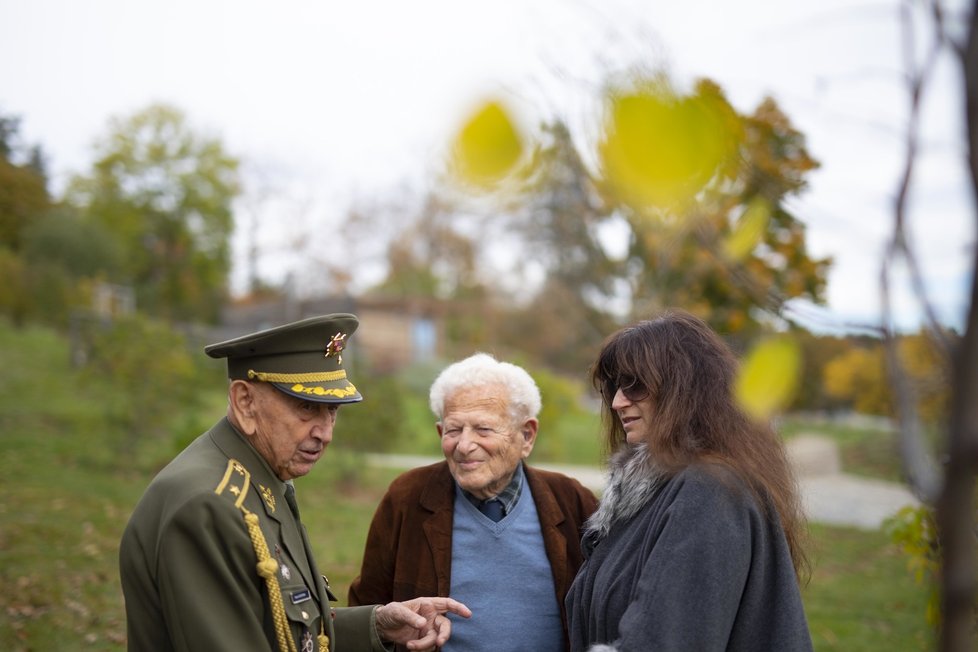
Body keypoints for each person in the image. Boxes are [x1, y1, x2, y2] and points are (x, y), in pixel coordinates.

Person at [119, 313, 470, 652]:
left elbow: (285, 629)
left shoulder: (262, 478)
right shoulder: (208, 505)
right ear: (245, 402)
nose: (325, 433)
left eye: (332, 410)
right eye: (306, 407)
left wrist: (377, 625)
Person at [566, 310, 813, 652]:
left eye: (635, 384)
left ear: (684, 390)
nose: (619, 402)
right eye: (614, 387)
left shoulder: (711, 492)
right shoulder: (659, 490)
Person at [348, 352, 599, 651]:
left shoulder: (572, 501)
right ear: (441, 433)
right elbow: (367, 611)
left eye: (483, 429)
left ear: (527, 436)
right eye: (453, 430)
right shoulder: (407, 497)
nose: (464, 446)